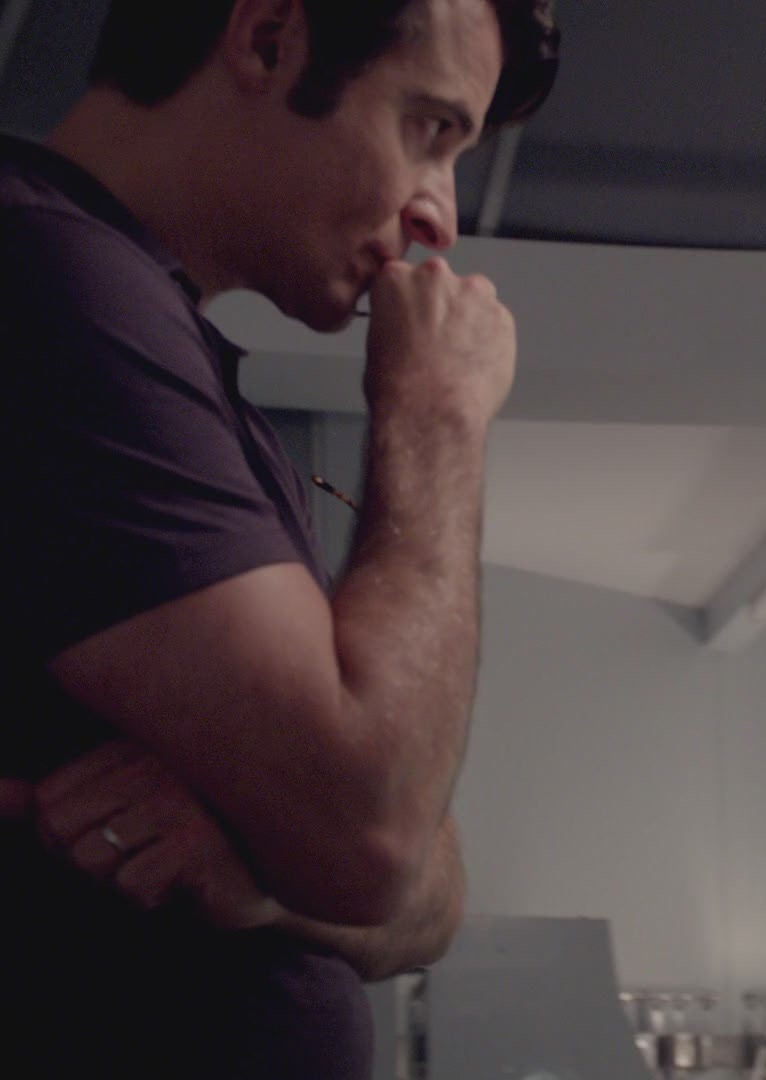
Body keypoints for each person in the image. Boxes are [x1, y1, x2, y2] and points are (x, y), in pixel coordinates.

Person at [0, 1, 557, 1076]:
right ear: (266, 38)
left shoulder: (176, 360)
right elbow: (376, 836)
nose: (440, 217)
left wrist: (267, 878)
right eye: (430, 130)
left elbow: (429, 891)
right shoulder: (48, 278)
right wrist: (438, 412)